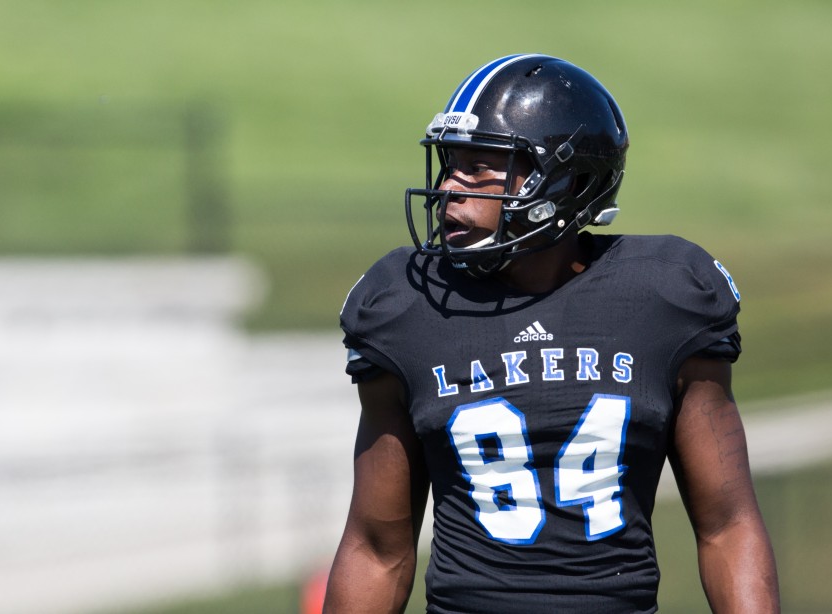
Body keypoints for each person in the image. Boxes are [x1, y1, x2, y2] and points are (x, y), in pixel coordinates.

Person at [324, 54, 779, 613]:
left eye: (481, 166)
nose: (448, 189)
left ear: (568, 181)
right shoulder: (408, 304)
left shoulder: (664, 297)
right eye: (450, 164)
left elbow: (728, 526)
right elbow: (376, 548)